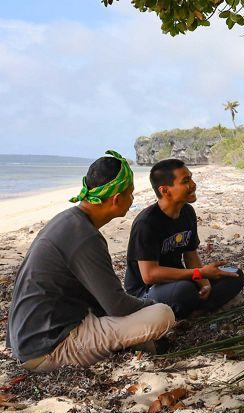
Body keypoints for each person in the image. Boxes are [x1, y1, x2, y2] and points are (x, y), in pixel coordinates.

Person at [6, 151, 175, 372]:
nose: (132, 200)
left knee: (135, 315)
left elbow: (101, 300)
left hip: (30, 338)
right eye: (130, 194)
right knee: (163, 314)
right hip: (49, 347)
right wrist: (149, 306)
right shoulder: (86, 237)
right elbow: (116, 305)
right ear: (116, 200)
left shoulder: (67, 220)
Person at [125, 159, 244, 319]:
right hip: (147, 290)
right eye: (186, 181)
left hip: (182, 278)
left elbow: (190, 255)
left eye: (191, 178)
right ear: (165, 191)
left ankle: (195, 309)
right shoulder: (146, 223)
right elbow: (150, 275)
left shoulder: (187, 212)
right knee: (185, 291)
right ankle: (193, 307)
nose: (193, 185)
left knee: (234, 274)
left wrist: (204, 282)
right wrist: (198, 273)